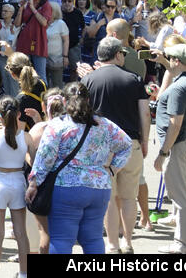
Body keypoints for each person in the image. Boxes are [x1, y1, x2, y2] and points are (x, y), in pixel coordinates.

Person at [26, 82, 132, 254]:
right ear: (88, 100)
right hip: (99, 187)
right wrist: (113, 169)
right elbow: (126, 145)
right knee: (93, 239)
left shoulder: (57, 125)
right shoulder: (105, 124)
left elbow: (45, 158)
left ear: (65, 102)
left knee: (61, 239)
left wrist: (33, 183)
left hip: (66, 189)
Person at [84, 37, 149, 254]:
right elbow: (145, 113)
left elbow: (82, 114)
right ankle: (127, 242)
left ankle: (111, 244)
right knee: (129, 196)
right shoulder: (134, 79)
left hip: (100, 145)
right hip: (130, 142)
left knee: (109, 197)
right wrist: (145, 140)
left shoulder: (88, 80)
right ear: (118, 55)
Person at [152, 42, 186, 253]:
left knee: (179, 196)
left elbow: (175, 123)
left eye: (169, 58)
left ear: (176, 61)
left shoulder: (179, 87)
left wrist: (163, 152)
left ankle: (182, 244)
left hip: (178, 142)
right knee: (183, 194)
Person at [0, 98, 29, 278]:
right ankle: (23, 273)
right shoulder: (26, 137)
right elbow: (32, 163)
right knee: (21, 233)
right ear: (18, 114)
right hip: (18, 182)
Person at [24, 88, 65, 253]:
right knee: (60, 234)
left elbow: (32, 157)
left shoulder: (40, 129)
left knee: (42, 233)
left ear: (44, 106)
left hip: (40, 186)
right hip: (65, 184)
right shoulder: (71, 127)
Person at [14, 0, 51, 80]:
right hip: (25, 41)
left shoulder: (46, 5)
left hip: (38, 41)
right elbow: (17, 24)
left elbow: (44, 22)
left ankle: (42, 95)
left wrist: (33, 8)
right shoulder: (26, 5)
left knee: (40, 75)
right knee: (24, 74)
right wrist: (21, 9)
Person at [5, 52, 45, 129]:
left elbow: (20, 133)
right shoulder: (41, 83)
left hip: (31, 137)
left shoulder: (20, 100)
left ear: (12, 74)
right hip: (44, 132)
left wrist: (5, 127)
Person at [60, 0, 84, 80]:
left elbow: (83, 27)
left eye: (69, 1)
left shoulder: (78, 12)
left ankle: (73, 89)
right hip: (60, 46)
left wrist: (82, 38)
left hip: (74, 45)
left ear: (72, 2)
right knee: (59, 69)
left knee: (75, 69)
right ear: (61, 2)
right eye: (64, 1)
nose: (67, 3)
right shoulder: (58, 13)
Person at [45, 2, 69, 89]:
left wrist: (65, 56)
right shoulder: (43, 22)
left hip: (56, 59)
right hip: (43, 58)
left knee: (57, 85)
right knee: (44, 83)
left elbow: (66, 41)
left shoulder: (60, 23)